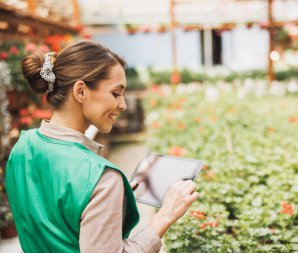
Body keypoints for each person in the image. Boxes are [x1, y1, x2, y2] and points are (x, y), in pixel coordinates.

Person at [5, 40, 199, 253]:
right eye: (116, 93)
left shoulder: (23, 147)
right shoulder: (101, 179)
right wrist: (165, 216)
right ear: (80, 91)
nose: (123, 105)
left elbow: (54, 216)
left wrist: (111, 203)